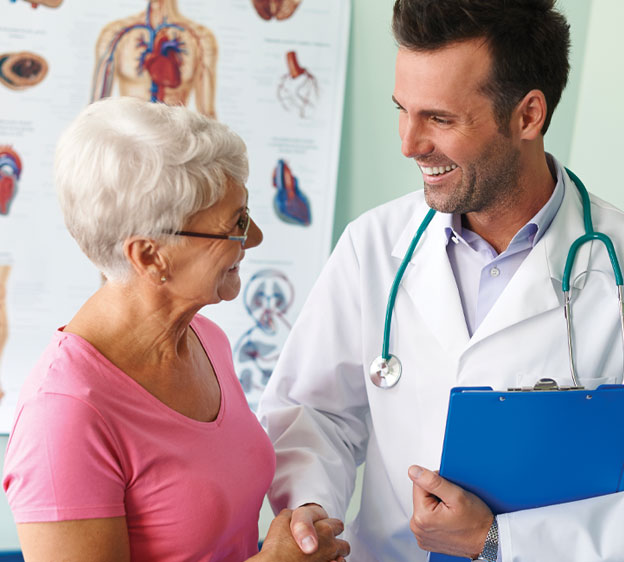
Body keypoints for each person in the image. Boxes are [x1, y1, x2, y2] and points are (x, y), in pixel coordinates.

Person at [257, 1, 624, 561]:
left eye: (440, 119)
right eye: (403, 110)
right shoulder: (374, 245)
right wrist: (310, 508)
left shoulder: (614, 264)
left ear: (528, 116)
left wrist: (501, 542)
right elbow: (315, 412)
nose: (409, 143)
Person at [2, 97, 349, 562]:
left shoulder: (206, 338)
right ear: (150, 256)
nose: (256, 239)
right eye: (237, 224)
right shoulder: (62, 416)